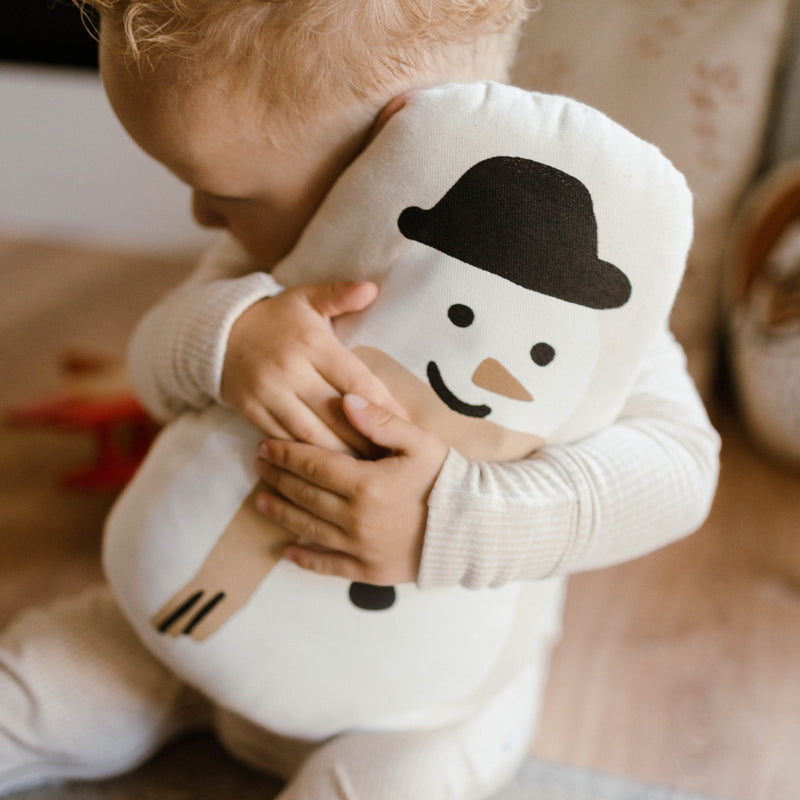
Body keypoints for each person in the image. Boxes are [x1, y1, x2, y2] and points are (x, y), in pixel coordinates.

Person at [0, 2, 721, 799]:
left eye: (225, 192)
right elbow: (153, 372)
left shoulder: (578, 321)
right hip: (191, 623)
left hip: (422, 696)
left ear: (392, 149)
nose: (203, 217)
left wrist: (455, 518)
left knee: (392, 784)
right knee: (53, 679)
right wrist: (225, 340)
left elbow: (680, 469)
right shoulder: (258, 261)